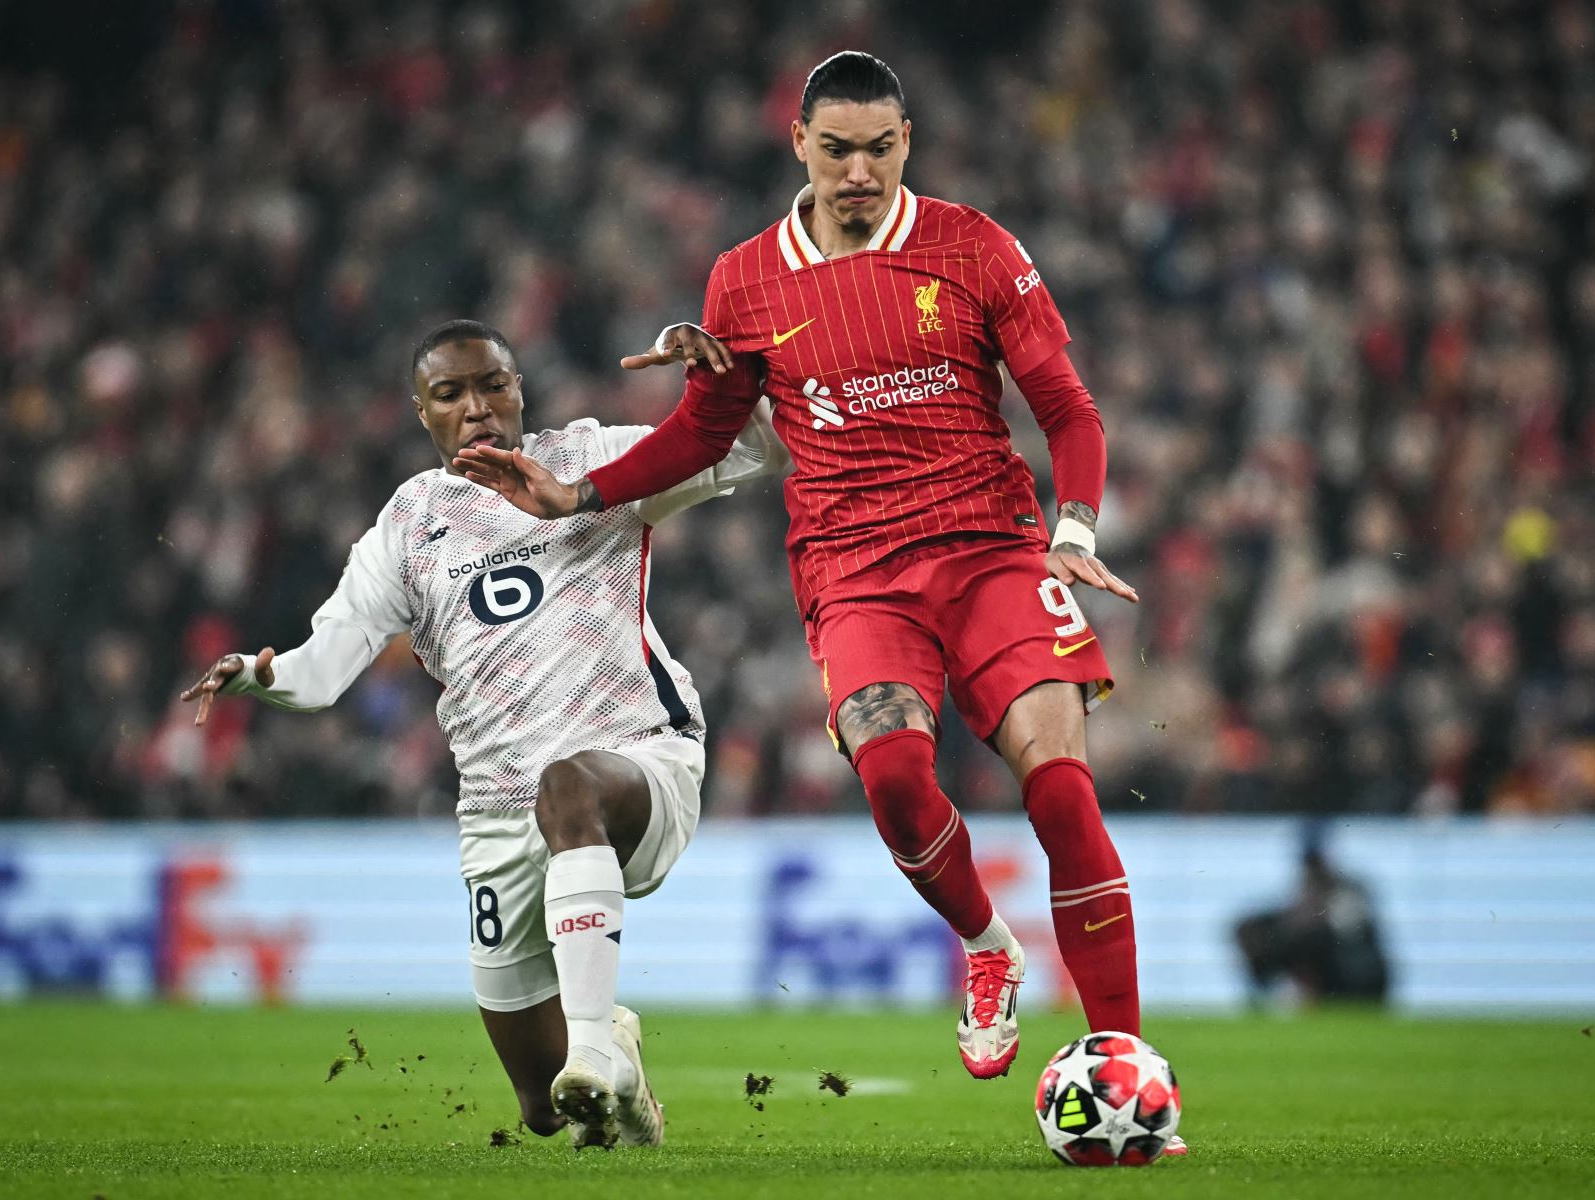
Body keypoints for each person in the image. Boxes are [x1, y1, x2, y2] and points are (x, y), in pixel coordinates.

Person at [456, 51, 1155, 1096]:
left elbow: (1068, 407)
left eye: (880, 148)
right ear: (801, 146)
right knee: (893, 780)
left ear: (906, 143)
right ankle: (988, 949)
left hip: (993, 549)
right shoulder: (744, 280)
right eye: (838, 150)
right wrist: (578, 493)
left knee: (1059, 790)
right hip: (856, 570)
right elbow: (704, 432)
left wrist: (1079, 529)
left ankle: (1123, 1059)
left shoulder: (975, 247)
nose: (860, 171)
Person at [180, 319, 786, 1148]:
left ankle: (596, 1046)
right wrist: (259, 675)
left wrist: (723, 377)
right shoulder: (410, 525)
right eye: (450, 394)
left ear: (520, 389)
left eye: (493, 384)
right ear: (421, 413)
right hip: (499, 815)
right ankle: (616, 1062)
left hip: (638, 759)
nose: (476, 407)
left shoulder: (586, 460)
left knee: (568, 787)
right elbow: (323, 669)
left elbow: (755, 451)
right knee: (547, 1113)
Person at [1235, 841, 1390, 1007]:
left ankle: (1302, 995)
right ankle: (1277, 991)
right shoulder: (1309, 889)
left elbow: (1346, 931)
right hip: (1338, 964)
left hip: (1355, 972)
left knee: (1306, 939)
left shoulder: (1348, 890)